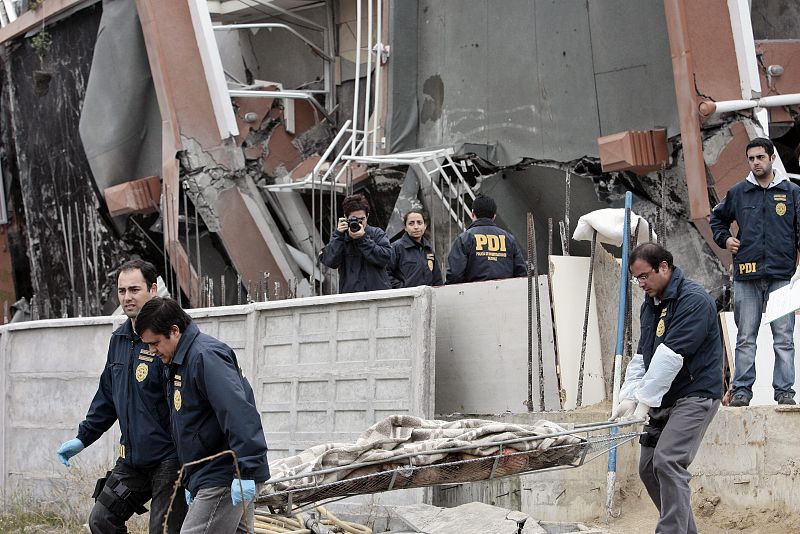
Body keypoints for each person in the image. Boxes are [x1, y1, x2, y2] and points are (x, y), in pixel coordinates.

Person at [55, 259, 186, 533]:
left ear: (152, 289)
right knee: (101, 520)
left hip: (169, 460)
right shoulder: (119, 340)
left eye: (134, 290)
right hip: (132, 460)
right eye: (122, 290)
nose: (127, 297)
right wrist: (83, 437)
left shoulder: (171, 339)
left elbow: (190, 403)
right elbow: (107, 397)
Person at [611, 243, 723, 534]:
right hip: (663, 396)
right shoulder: (650, 306)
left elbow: (669, 358)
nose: (641, 284)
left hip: (694, 394)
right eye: (637, 279)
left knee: (668, 461)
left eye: (644, 276)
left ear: (664, 267)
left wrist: (643, 402)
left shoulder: (694, 301)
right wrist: (628, 397)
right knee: (648, 468)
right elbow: (642, 357)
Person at [135, 297, 270, 533]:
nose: (151, 351)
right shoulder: (180, 361)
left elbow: (238, 413)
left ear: (174, 331)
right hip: (209, 473)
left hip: (224, 474)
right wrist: (190, 477)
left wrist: (246, 471)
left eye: (155, 343)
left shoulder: (205, 357)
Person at [709, 137, 800, 406]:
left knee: (783, 338)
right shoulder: (738, 192)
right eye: (751, 158)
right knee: (746, 336)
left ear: (772, 158)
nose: (756, 162)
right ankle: (741, 392)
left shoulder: (792, 192)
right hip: (746, 275)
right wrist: (725, 239)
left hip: (782, 276)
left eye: (761, 157)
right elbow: (717, 218)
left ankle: (785, 392)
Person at [445, 194, 527, 284]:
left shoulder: (464, 239)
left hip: (473, 295)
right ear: (494, 216)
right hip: (505, 295)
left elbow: (455, 275)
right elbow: (522, 274)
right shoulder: (509, 239)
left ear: (473, 214)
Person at [320, 193, 392, 293]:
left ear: (367, 216)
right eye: (354, 219)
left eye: (362, 219)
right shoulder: (340, 236)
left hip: (377, 294)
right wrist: (338, 235)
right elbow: (330, 261)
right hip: (351, 297)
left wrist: (363, 239)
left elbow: (385, 258)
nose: (358, 223)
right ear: (345, 217)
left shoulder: (377, 233)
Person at [387, 209, 443, 288]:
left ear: (425, 226)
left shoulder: (428, 249)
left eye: (419, 223)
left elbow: (437, 279)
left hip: (427, 297)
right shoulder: (397, 248)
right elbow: (386, 274)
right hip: (406, 297)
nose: (416, 227)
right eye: (411, 223)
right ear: (405, 227)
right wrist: (402, 288)